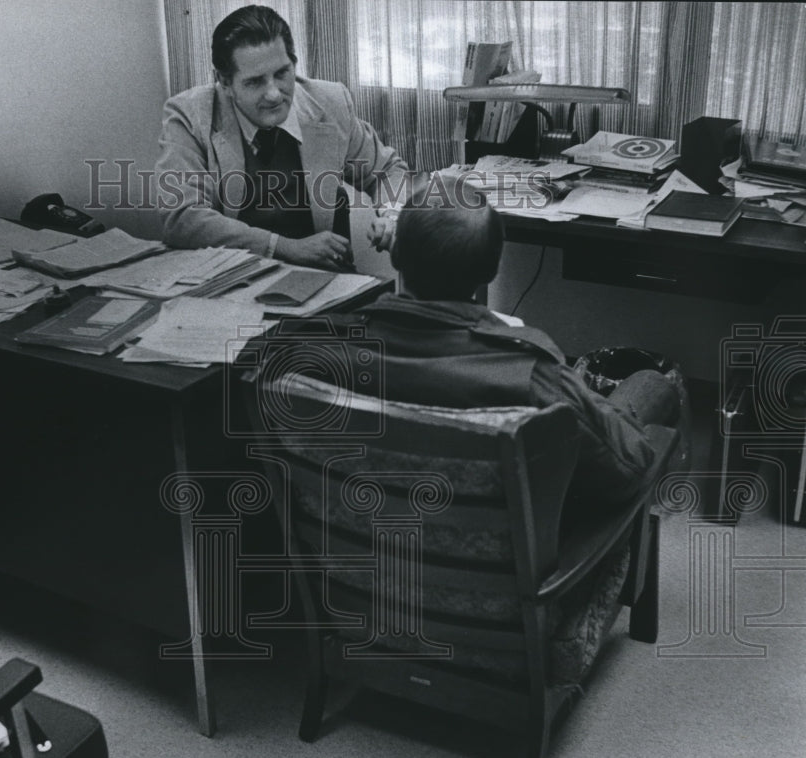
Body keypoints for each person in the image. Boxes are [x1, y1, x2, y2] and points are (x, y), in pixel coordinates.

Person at [297, 173, 681, 502]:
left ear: (396, 258)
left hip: (361, 565)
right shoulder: (532, 374)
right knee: (650, 383)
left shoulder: (321, 348)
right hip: (519, 578)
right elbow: (628, 470)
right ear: (491, 272)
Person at [154, 5, 411, 272]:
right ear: (225, 82)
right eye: (255, 82)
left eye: (282, 73)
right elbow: (182, 217)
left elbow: (387, 171)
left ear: (294, 64)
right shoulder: (189, 115)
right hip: (230, 283)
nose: (275, 94)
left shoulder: (330, 102)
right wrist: (285, 248)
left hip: (325, 280)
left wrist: (392, 215)